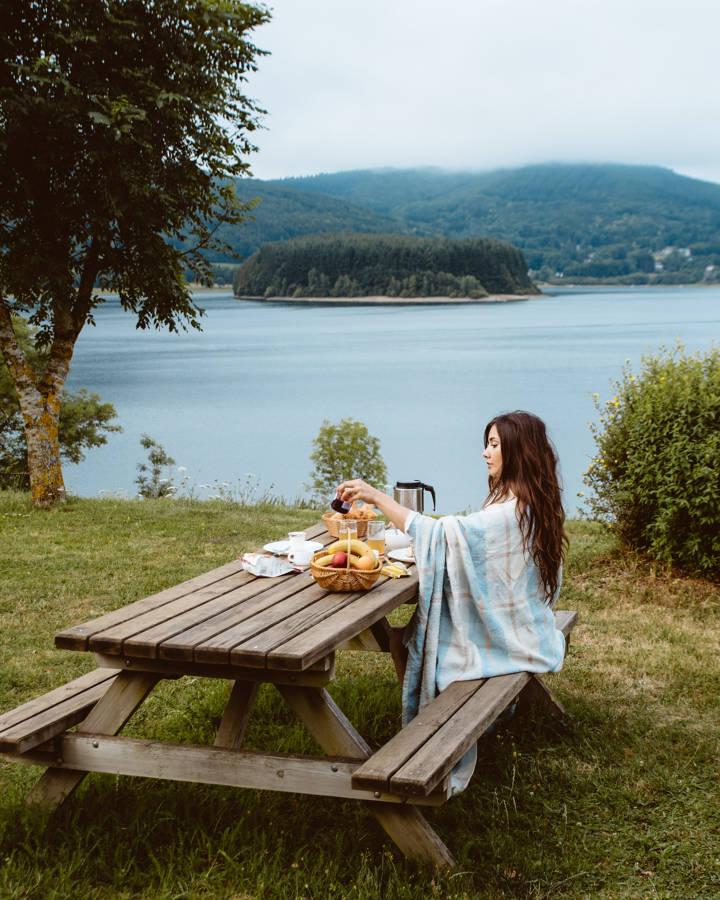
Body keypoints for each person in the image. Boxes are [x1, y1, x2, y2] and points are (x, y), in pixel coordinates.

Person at [335, 410, 569, 793]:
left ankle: (422, 741)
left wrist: (375, 496)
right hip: (528, 623)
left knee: (409, 642)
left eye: (494, 445)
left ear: (517, 451)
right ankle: (420, 730)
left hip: (510, 641)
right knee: (404, 638)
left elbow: (440, 534)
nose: (485, 453)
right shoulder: (533, 503)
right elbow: (470, 545)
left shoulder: (508, 513)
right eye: (487, 443)